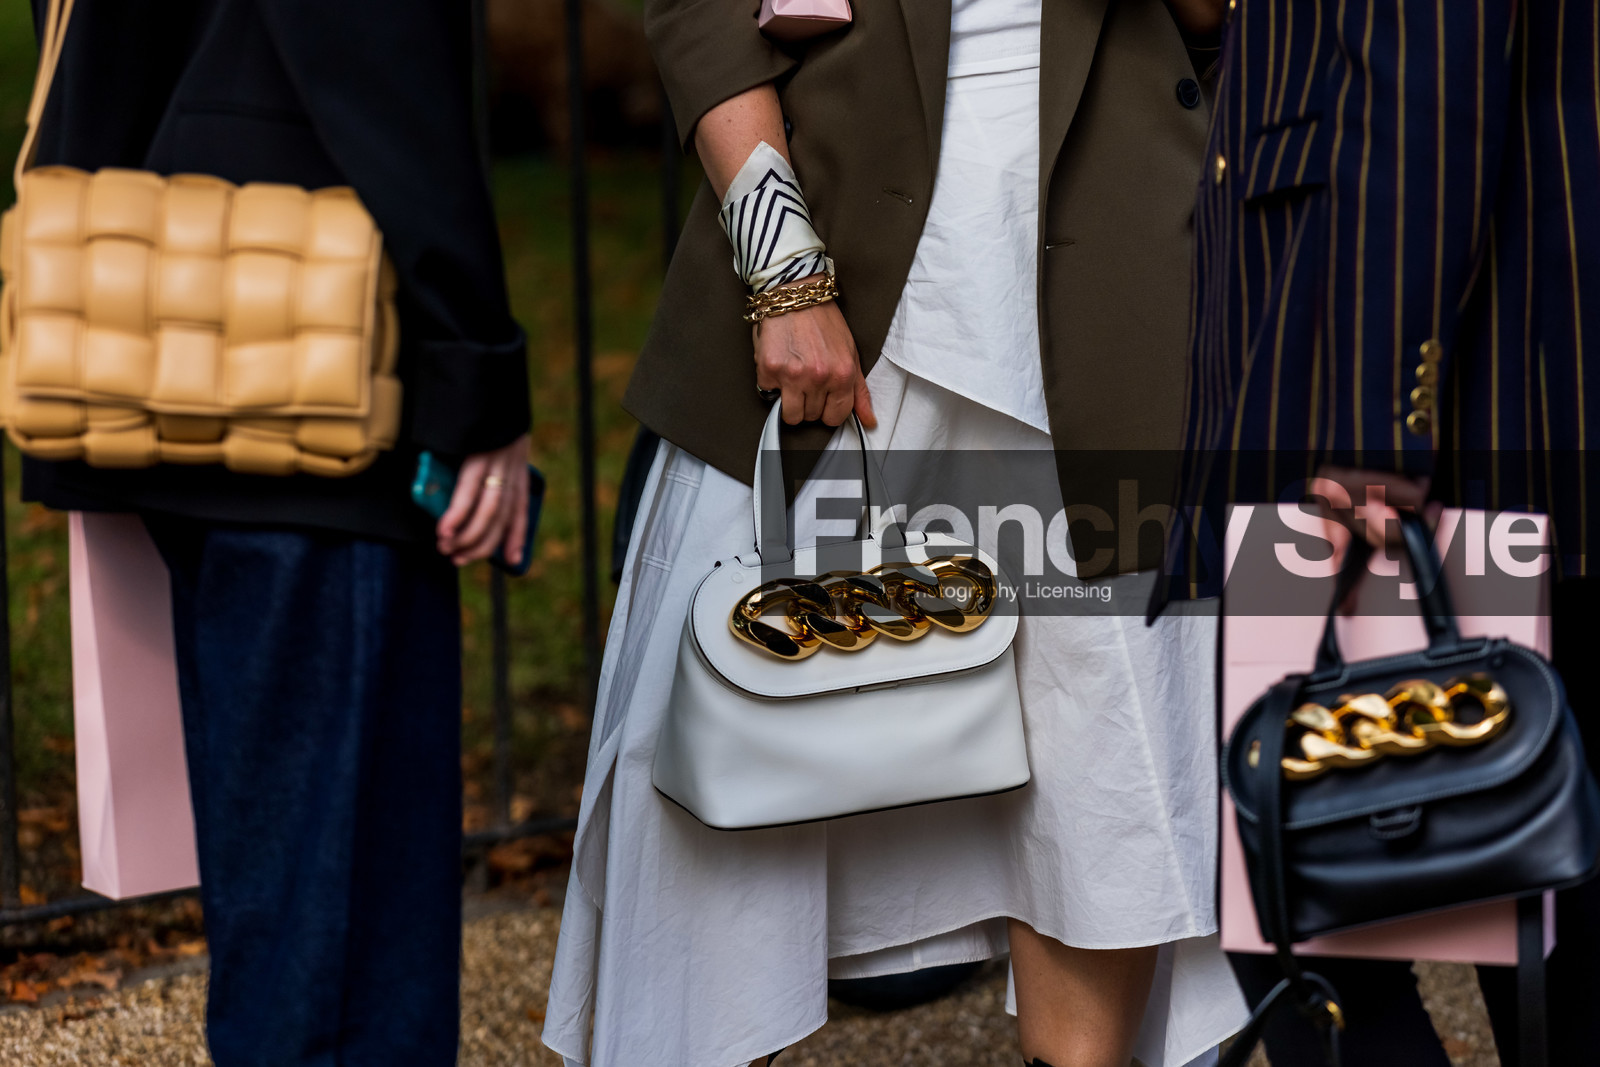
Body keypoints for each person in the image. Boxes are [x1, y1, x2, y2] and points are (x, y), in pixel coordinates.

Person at [541, 2, 1247, 1065]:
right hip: (835, 252)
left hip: (1121, 273)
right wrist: (781, 268)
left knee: (1106, 769)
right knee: (728, 734)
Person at [19, 0, 533, 1063]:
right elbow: (379, 57)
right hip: (322, 366)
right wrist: (474, 367)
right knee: (342, 941)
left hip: (168, 313)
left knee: (285, 906)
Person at [1173, 0, 1600, 1063]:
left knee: (1305, 904)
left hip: (1385, 363)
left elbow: (1429, 52)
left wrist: (1374, 423)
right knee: (1527, 891)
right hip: (1443, 343)